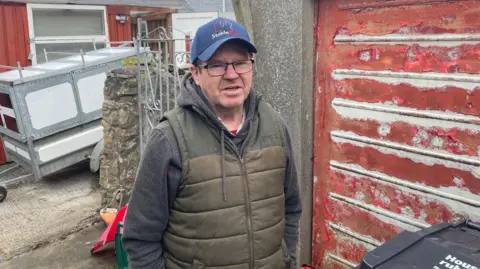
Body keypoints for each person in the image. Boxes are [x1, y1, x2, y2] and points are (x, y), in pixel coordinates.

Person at [122, 17, 302, 269]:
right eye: (217, 65)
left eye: (240, 63)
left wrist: (288, 259)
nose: (232, 75)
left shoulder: (275, 126)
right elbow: (141, 237)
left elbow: (292, 207)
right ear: (195, 73)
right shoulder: (169, 138)